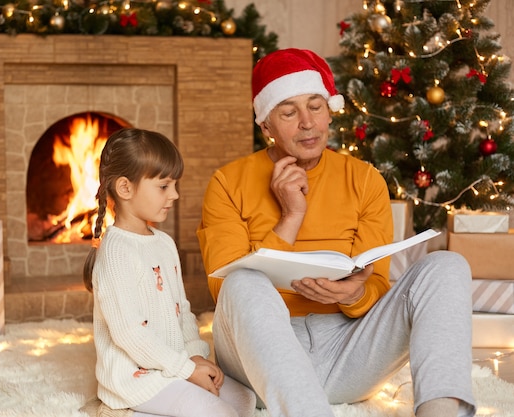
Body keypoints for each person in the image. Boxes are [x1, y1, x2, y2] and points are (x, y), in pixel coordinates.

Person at [196, 49, 476, 417]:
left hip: (350, 351)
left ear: (330, 111)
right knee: (240, 281)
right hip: (260, 364)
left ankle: (440, 412)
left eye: (315, 106)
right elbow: (224, 290)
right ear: (266, 125)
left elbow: (375, 281)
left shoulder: (364, 179)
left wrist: (355, 292)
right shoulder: (227, 183)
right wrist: (291, 216)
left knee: (446, 265)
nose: (307, 123)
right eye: (289, 112)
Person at [83, 127, 257, 417]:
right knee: (220, 413)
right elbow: (129, 334)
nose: (174, 194)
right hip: (137, 377)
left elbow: (182, 311)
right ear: (125, 188)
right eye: (164, 186)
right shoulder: (116, 253)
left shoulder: (163, 243)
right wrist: (187, 370)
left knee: (245, 401)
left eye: (175, 184)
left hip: (176, 365)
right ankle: (125, 411)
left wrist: (197, 359)